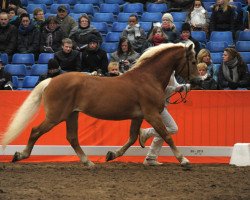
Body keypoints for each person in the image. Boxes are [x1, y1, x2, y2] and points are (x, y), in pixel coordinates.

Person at [139, 72, 190, 166]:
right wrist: (176, 89)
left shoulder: (171, 73)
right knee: (173, 128)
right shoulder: (163, 73)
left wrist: (188, 86)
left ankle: (151, 158)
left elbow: (177, 86)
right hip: (157, 106)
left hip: (162, 106)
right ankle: (146, 133)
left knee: (163, 132)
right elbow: (161, 88)